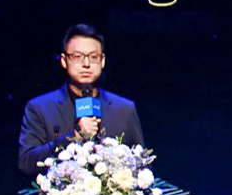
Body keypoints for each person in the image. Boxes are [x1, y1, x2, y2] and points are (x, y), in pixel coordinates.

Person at [17, 24, 147, 174]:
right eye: (77, 57)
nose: (86, 64)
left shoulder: (124, 109)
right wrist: (72, 138)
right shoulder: (39, 108)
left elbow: (142, 165)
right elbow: (26, 162)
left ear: (102, 61)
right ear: (64, 60)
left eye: (93, 57)